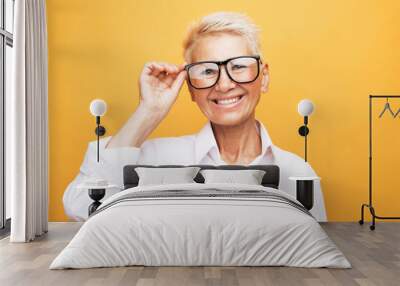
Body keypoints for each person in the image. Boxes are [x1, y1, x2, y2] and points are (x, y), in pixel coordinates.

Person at [63, 12, 327, 222]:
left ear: (264, 76)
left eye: (238, 66)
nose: (224, 85)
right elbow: (80, 205)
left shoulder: (298, 173)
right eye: (207, 71)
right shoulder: (155, 161)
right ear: (190, 87)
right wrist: (148, 111)